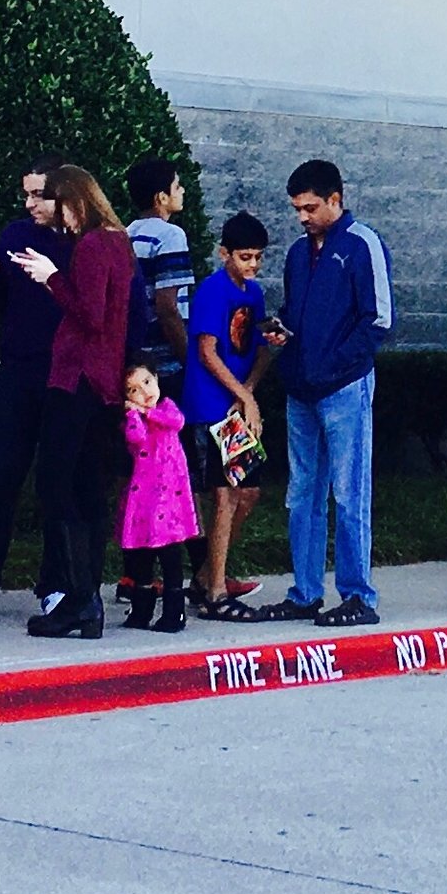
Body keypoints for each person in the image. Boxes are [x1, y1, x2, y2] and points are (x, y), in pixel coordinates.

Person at [259, 161, 392, 627]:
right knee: (303, 494)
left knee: (349, 493)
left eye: (310, 207)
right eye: (297, 208)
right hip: (302, 388)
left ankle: (358, 596)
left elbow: (378, 320)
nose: (302, 216)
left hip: (343, 388)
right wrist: (282, 332)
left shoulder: (362, 244)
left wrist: (333, 364)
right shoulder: (299, 253)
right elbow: (294, 311)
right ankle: (305, 592)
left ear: (336, 199)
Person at [12, 165, 135, 639]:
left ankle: (79, 600)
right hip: (101, 381)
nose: (54, 214)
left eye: (58, 202)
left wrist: (51, 278)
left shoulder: (90, 245)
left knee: (57, 486)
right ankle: (87, 603)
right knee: (87, 491)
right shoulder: (117, 242)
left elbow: (91, 314)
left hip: (77, 378)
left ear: (74, 201)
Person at [0, 161, 73, 621]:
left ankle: (55, 584)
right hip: (17, 371)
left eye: (39, 194)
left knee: (56, 483)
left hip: (64, 376)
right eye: (25, 194)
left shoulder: (84, 240)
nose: (29, 204)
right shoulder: (14, 234)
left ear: (64, 194)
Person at [184, 214, 278, 621]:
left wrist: (250, 391)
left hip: (237, 406)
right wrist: (244, 397)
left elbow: (257, 348)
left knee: (246, 494)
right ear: (225, 253)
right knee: (222, 494)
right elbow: (207, 352)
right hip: (209, 407)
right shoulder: (212, 290)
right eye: (244, 256)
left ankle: (206, 578)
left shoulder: (253, 293)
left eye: (257, 257)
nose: (252, 265)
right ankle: (217, 590)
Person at [116, 366, 197, 630]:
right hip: (144, 500)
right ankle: (141, 610)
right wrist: (133, 414)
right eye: (134, 390)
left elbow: (176, 422)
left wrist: (147, 411)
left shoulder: (167, 408)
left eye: (147, 382)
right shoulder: (134, 419)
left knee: (170, 555)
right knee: (142, 557)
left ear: (157, 380)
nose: (144, 392)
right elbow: (135, 437)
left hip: (169, 499)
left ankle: (175, 613)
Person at [123, 156, 198, 359]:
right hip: (164, 357)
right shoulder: (170, 235)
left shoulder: (128, 233)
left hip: (136, 354)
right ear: (162, 198)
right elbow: (167, 307)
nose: (182, 191)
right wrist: (186, 356)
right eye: (177, 186)